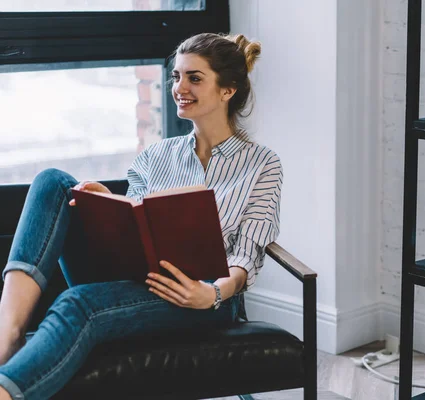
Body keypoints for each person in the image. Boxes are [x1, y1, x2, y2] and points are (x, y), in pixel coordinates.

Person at [0, 32, 282, 400]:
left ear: (227, 90)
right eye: (176, 77)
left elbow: (247, 255)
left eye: (194, 78)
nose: (180, 87)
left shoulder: (263, 165)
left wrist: (212, 293)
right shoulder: (156, 156)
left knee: (78, 303)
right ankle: (8, 336)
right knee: (53, 181)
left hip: (198, 297)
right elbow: (136, 225)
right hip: (136, 277)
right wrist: (105, 204)